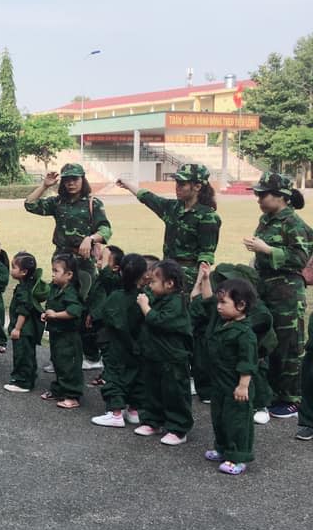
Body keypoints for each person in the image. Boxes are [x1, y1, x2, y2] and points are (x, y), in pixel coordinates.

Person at [25, 163, 112, 370]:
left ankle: (91, 356)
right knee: (58, 303)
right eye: (67, 179)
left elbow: (106, 230)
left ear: (83, 180)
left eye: (75, 179)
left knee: (84, 309)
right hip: (61, 260)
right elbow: (30, 204)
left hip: (83, 263)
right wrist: (45, 185)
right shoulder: (58, 202)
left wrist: (90, 239)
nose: (71, 183)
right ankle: (60, 357)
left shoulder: (92, 203)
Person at [244, 172, 312, 419]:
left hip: (287, 292)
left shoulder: (294, 223)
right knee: (268, 341)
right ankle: (271, 391)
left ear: (281, 196)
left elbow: (300, 259)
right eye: (258, 194)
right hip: (266, 288)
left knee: (289, 344)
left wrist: (267, 249)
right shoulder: (267, 219)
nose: (259, 199)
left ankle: (292, 398)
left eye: (263, 195)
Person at [116, 163, 221, 292]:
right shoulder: (174, 208)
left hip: (187, 278)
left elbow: (205, 258)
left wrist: (197, 288)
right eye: (177, 183)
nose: (177, 187)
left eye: (182, 184)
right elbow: (149, 198)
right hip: (166, 271)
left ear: (197, 187)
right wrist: (127, 185)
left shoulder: (208, 217)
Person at [197, 274, 259, 475]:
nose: (218, 306)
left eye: (224, 302)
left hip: (236, 388)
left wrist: (243, 386)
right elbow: (208, 301)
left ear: (240, 305)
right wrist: (206, 279)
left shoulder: (244, 334)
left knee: (237, 422)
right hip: (219, 385)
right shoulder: (223, 322)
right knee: (219, 418)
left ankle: (238, 456)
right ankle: (222, 448)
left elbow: (247, 362)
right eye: (219, 302)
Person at [134, 259, 194, 445]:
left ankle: (178, 428)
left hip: (172, 358)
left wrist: (145, 307)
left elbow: (160, 321)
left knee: (174, 393)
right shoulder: (159, 297)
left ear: (169, 284)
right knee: (152, 390)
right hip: (154, 355)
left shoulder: (177, 302)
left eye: (153, 282)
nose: (150, 286)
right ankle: (152, 420)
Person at [90, 253, 147, 428]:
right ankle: (133, 410)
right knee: (135, 375)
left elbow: (111, 319)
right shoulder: (144, 298)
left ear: (121, 272)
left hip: (116, 344)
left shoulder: (116, 297)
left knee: (113, 375)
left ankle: (115, 412)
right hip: (137, 345)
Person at [39, 253, 84, 409]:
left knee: (69, 365)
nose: (53, 274)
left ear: (69, 274)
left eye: (56, 271)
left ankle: (72, 395)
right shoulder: (55, 288)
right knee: (58, 362)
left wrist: (56, 315)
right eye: (52, 270)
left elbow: (74, 311)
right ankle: (59, 389)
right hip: (56, 332)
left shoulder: (71, 292)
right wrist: (46, 314)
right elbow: (51, 305)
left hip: (68, 336)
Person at [4, 252, 47, 393]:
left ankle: (23, 382)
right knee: (27, 354)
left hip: (24, 329)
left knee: (22, 355)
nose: (11, 270)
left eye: (14, 267)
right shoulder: (26, 285)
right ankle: (26, 377)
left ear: (23, 272)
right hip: (27, 329)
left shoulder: (24, 289)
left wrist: (17, 328)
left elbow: (24, 310)